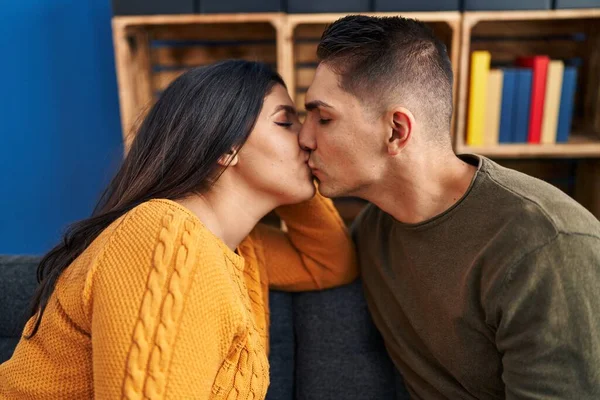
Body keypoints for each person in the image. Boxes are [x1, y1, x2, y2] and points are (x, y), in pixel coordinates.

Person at [0, 60, 357, 399]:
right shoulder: (163, 237)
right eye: (286, 123)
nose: (308, 138)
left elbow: (330, 263)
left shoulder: (240, 248)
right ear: (226, 147)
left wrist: (305, 174)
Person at [299, 15, 600, 399]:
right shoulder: (373, 233)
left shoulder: (547, 247)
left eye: (323, 118)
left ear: (396, 131)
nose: (304, 137)